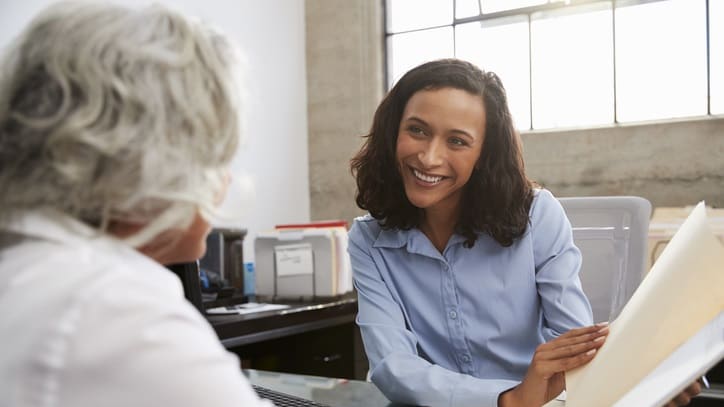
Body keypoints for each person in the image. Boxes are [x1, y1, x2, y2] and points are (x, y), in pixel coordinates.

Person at [348, 59, 702, 407]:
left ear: (483, 154)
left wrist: (644, 374)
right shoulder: (368, 241)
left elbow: (570, 343)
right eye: (418, 130)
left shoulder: (537, 215)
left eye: (457, 141)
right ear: (394, 130)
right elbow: (392, 366)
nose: (429, 157)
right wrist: (506, 400)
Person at [0, 3, 272, 406]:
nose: (225, 177)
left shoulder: (29, 265)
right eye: (218, 151)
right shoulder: (117, 312)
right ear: (161, 154)